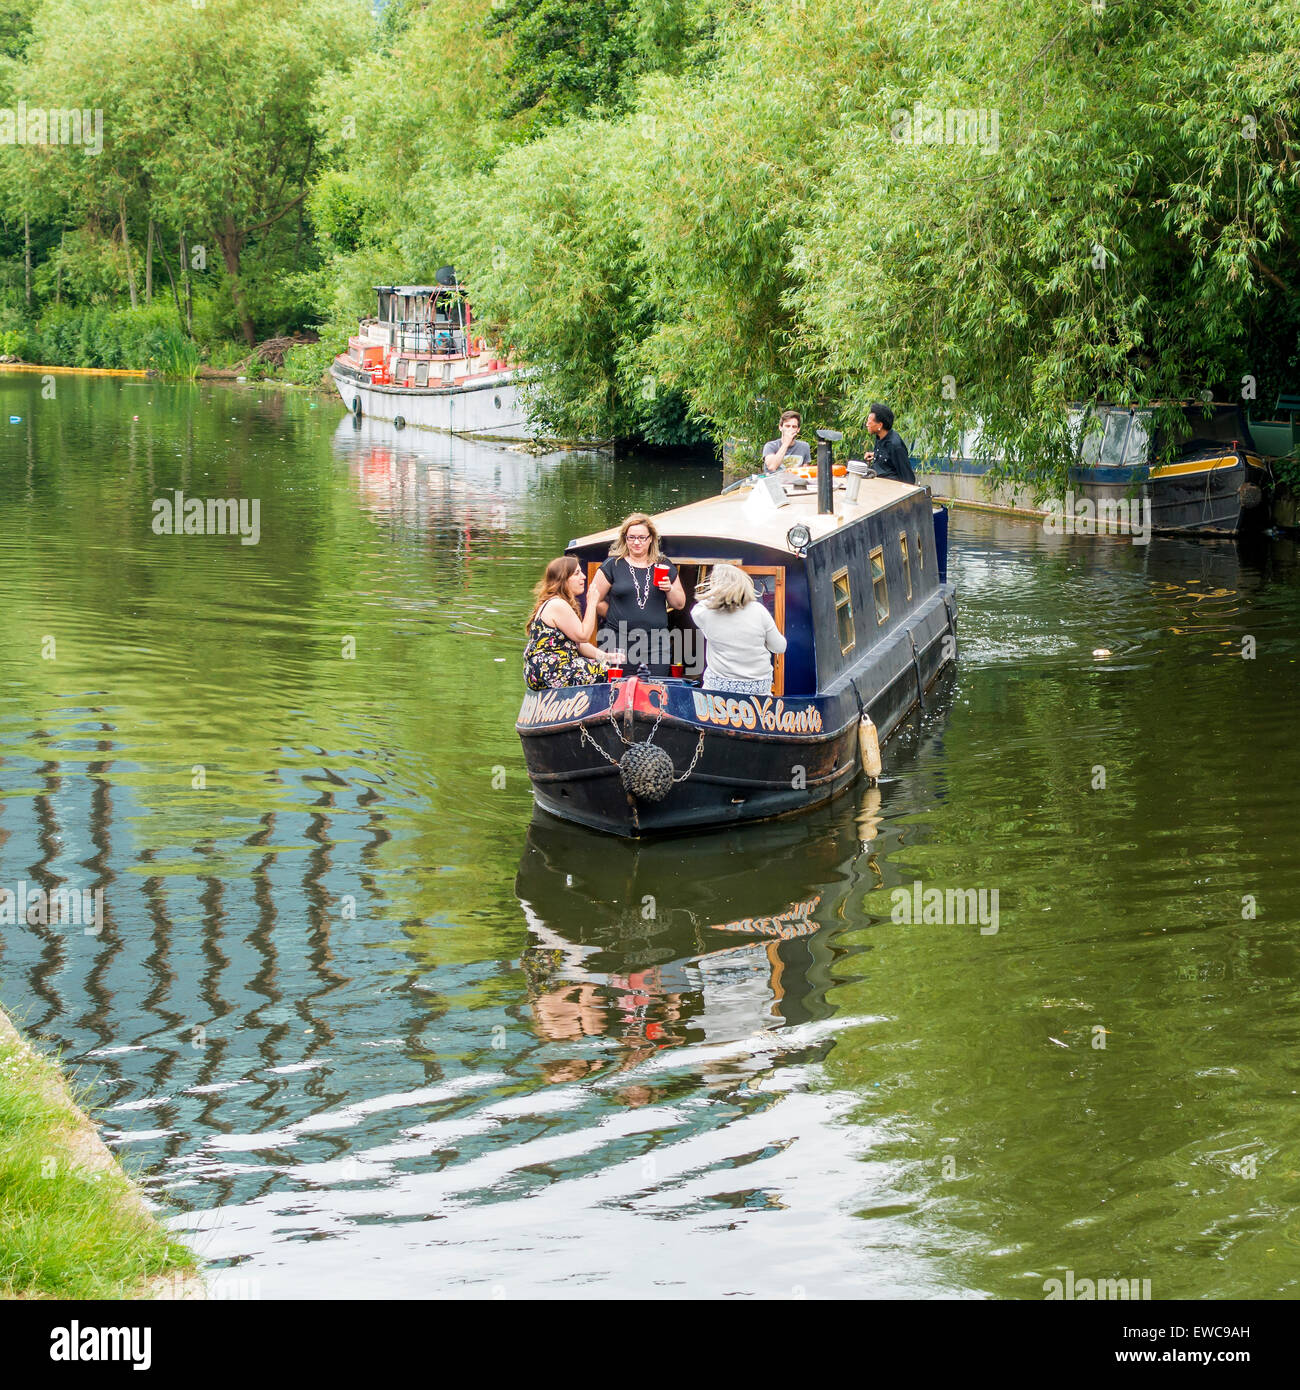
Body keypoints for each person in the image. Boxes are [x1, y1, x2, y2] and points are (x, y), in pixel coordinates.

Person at [584, 513, 686, 676]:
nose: (636, 542)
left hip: (656, 643)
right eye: (631, 537)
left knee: (655, 691)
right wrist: (614, 614)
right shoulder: (612, 565)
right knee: (617, 692)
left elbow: (679, 604)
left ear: (651, 538)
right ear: (625, 538)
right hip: (618, 640)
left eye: (641, 537)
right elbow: (594, 598)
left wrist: (669, 589)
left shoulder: (663, 565)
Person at [523, 557, 621, 690]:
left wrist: (605, 656)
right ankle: (601, 707)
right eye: (577, 573)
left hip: (542, 670)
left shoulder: (557, 602)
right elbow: (583, 635)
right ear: (564, 579)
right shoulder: (558, 604)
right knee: (608, 672)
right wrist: (592, 603)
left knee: (604, 664)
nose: (584, 576)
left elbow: (579, 644)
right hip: (551, 670)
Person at [690, 563, 787, 695]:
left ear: (715, 587)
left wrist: (717, 595)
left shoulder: (705, 613)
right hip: (757, 691)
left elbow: (698, 608)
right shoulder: (758, 611)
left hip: (718, 691)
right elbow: (780, 647)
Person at [866, 402, 916, 484]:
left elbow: (908, 479)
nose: (867, 425)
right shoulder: (880, 436)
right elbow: (887, 457)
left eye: (869, 422)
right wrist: (875, 455)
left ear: (880, 425)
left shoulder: (895, 445)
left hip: (890, 489)